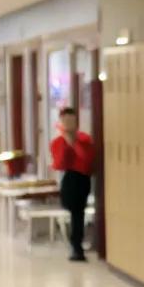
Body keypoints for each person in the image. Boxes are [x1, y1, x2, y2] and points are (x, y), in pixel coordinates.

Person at [50, 106, 95, 263]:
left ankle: (77, 246)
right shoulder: (57, 142)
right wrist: (66, 143)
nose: (69, 123)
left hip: (82, 179)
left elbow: (87, 161)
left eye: (71, 120)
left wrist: (74, 143)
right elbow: (59, 164)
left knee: (78, 212)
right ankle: (75, 243)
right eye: (65, 120)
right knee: (71, 208)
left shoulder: (85, 139)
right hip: (69, 178)